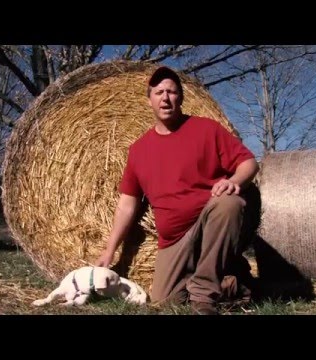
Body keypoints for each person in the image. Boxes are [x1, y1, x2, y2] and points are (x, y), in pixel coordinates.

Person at [95, 66, 259, 315]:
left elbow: (248, 162)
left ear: (181, 98)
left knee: (229, 203)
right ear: (149, 99)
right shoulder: (138, 151)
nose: (165, 97)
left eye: (172, 91)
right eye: (159, 92)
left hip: (209, 220)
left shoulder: (207, 129)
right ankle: (234, 280)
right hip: (173, 239)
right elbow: (127, 205)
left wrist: (235, 181)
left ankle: (204, 298)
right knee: (165, 301)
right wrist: (110, 250)